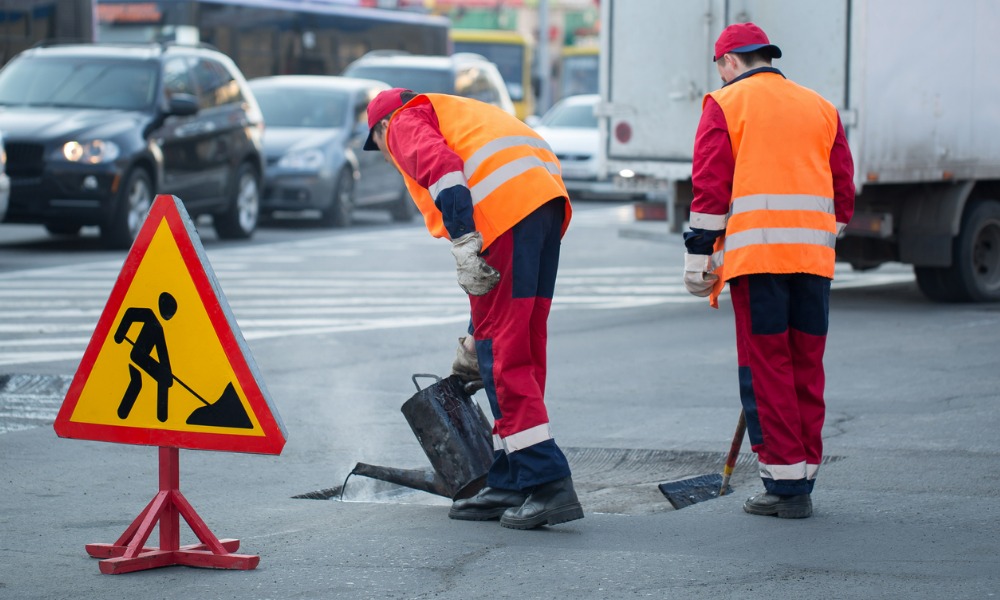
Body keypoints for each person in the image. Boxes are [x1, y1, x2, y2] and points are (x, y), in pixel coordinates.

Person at [363, 88, 584, 530]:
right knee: (515, 343)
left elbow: (444, 171)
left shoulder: (404, 122)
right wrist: (474, 332)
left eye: (380, 148)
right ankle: (510, 478)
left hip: (503, 221)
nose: (388, 157)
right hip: (539, 211)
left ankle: (548, 482)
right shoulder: (457, 113)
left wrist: (463, 238)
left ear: (382, 128)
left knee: (504, 356)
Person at [682, 23, 855, 518]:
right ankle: (803, 476)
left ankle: (785, 487)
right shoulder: (821, 106)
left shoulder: (725, 104)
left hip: (759, 262)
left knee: (768, 368)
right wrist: (818, 236)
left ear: (729, 63)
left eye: (720, 67)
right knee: (805, 366)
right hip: (814, 262)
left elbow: (710, 185)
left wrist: (699, 256)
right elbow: (843, 193)